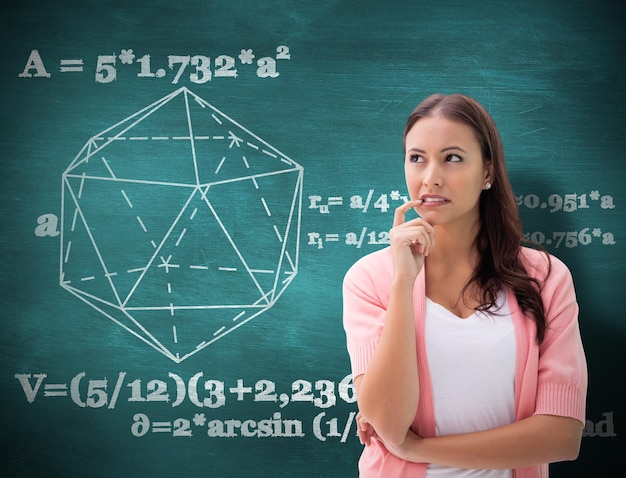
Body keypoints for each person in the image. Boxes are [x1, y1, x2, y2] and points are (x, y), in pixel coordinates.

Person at [342, 93, 587, 478]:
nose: (430, 177)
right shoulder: (370, 278)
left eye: (452, 158)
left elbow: (562, 435)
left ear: (488, 171)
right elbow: (388, 424)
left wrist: (418, 447)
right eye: (417, 158)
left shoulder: (545, 276)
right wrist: (403, 283)